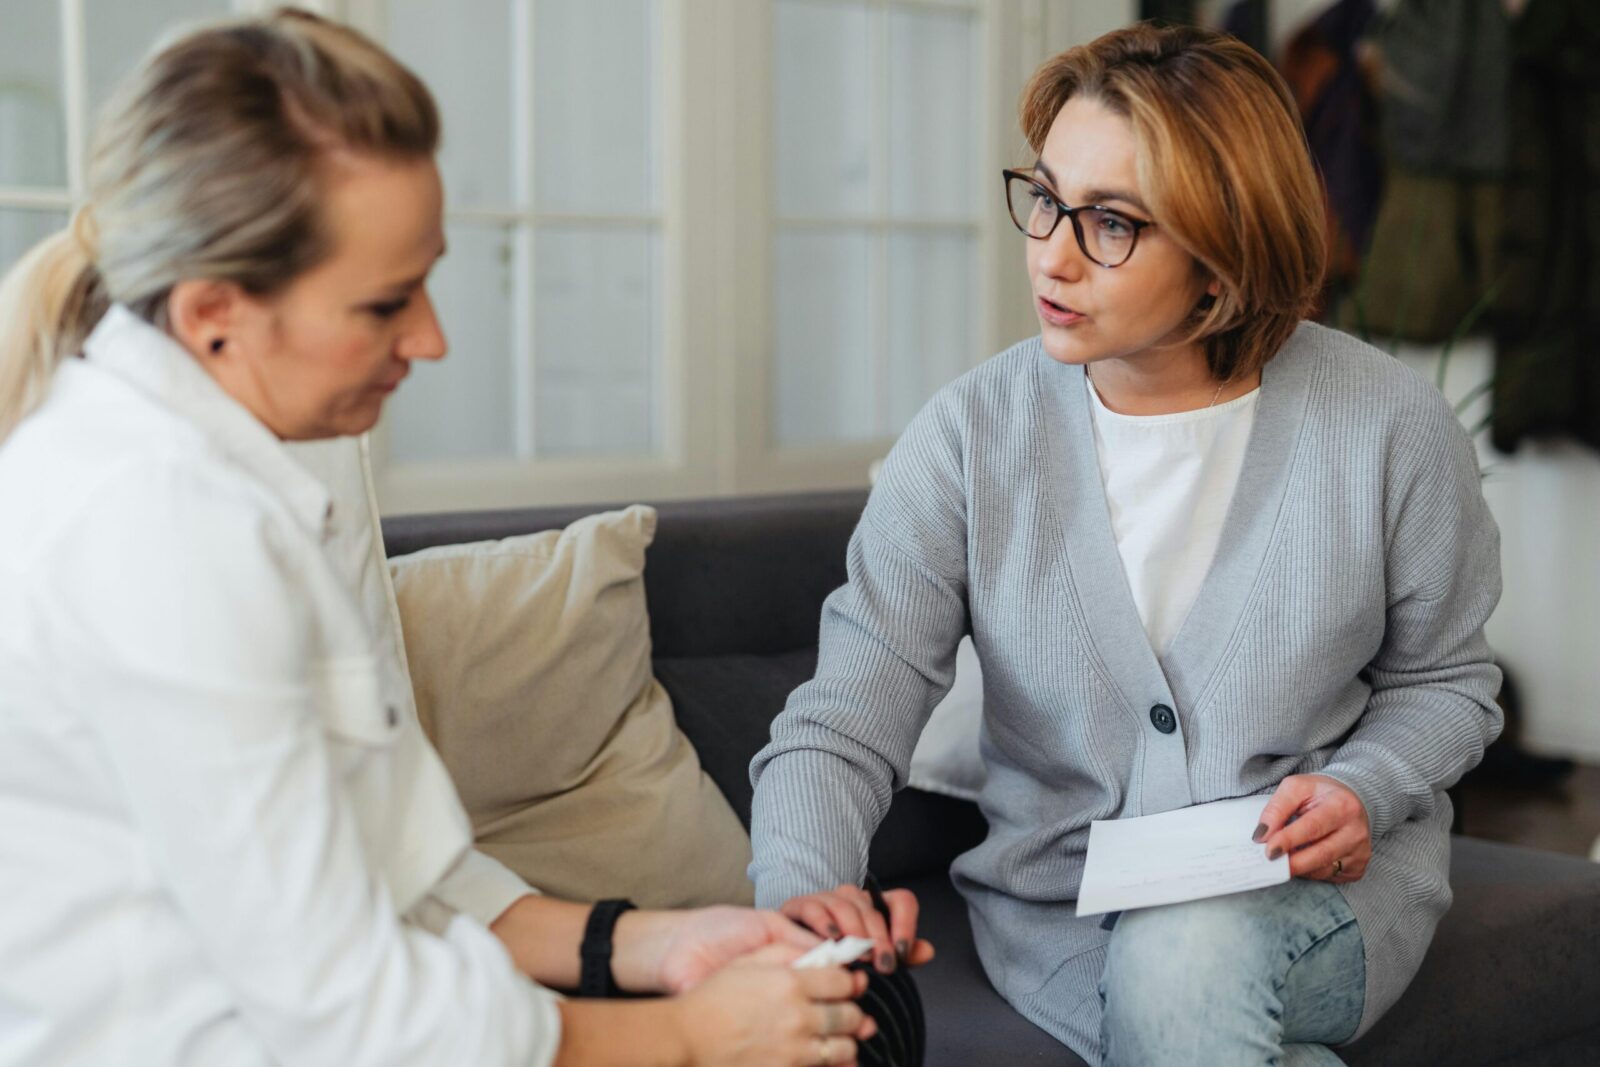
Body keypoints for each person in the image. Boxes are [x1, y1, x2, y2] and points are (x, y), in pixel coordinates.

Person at [0, 10, 873, 1067]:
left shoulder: (249, 463)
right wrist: (689, 1034)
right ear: (214, 312)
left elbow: (401, 877)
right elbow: (351, 1012)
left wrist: (659, 945)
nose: (431, 338)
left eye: (427, 278)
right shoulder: (160, 534)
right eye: (383, 303)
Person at [748, 21, 1502, 1067]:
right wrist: (799, 893)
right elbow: (841, 720)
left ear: (1222, 253)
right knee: (1180, 981)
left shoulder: (1386, 427)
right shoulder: (969, 438)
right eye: (1047, 198)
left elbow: (1449, 681)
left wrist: (1362, 785)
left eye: (1111, 222)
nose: (1051, 252)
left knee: (1184, 950)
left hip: (1317, 903)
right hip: (1055, 916)